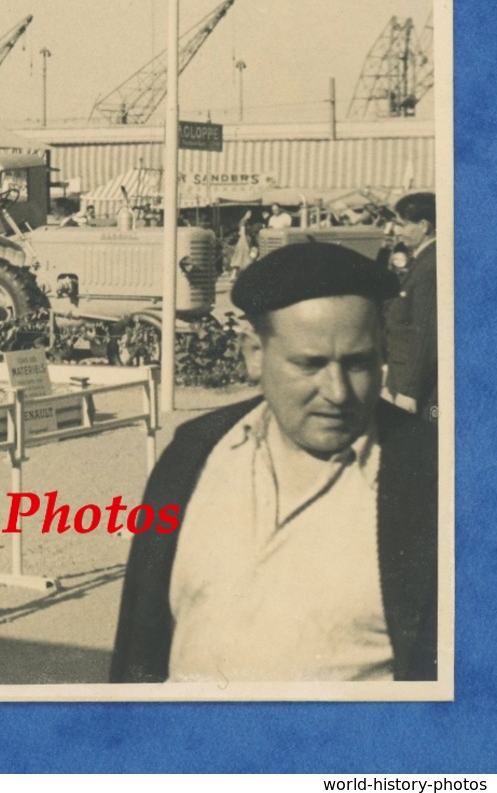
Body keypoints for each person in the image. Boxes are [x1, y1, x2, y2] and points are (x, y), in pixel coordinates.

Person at [111, 241, 437, 683]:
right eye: (310, 364)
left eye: (359, 364)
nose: (337, 391)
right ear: (253, 355)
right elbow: (137, 647)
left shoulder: (435, 476)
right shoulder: (192, 454)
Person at [385, 192, 438, 420]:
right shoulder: (422, 259)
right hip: (402, 376)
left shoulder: (430, 267)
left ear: (424, 226)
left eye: (402, 224)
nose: (397, 231)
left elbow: (424, 333)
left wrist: (409, 391)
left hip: (415, 388)